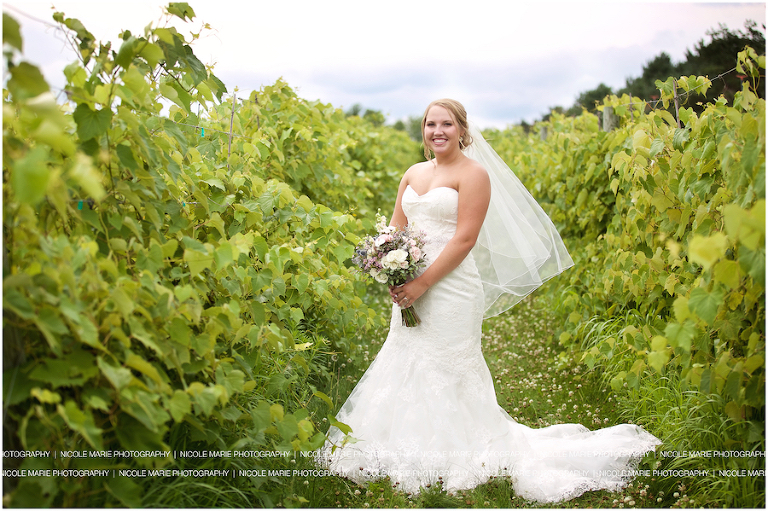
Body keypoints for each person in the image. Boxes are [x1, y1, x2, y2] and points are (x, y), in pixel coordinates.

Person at [318, 99, 661, 503]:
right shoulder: (413, 173)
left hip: (451, 289)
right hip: (409, 284)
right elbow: (396, 227)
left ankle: (459, 452)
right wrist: (390, 266)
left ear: (463, 130)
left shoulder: (474, 174)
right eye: (431, 124)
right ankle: (401, 447)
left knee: (448, 365)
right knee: (405, 358)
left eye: (447, 124)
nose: (438, 131)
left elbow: (464, 239)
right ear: (423, 130)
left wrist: (423, 283)